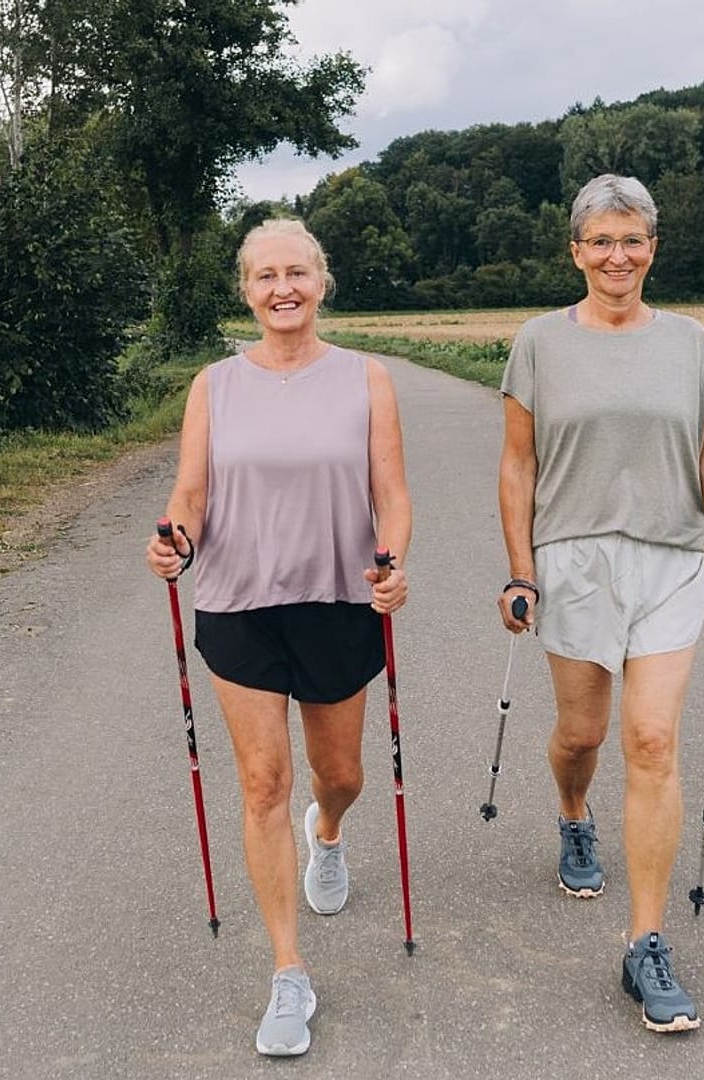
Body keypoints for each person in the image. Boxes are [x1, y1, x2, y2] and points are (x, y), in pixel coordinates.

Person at [496, 173, 704, 1034]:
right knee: (585, 735)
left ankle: (645, 943)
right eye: (601, 241)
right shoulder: (538, 342)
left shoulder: (689, 342)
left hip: (670, 560)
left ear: (653, 248)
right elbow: (518, 467)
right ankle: (574, 814)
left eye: (632, 239)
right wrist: (521, 567)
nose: (618, 256)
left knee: (651, 741)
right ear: (576, 251)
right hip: (572, 561)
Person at [145, 219, 412, 1056]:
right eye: (265, 276)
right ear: (247, 290)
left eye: (296, 272)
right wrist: (176, 538)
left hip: (338, 598)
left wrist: (394, 559)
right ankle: (288, 974)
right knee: (263, 780)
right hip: (239, 602)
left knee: (341, 775)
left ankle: (326, 833)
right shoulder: (214, 386)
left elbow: (392, 495)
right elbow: (191, 493)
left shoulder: (366, 379)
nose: (282, 288)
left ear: (322, 282)